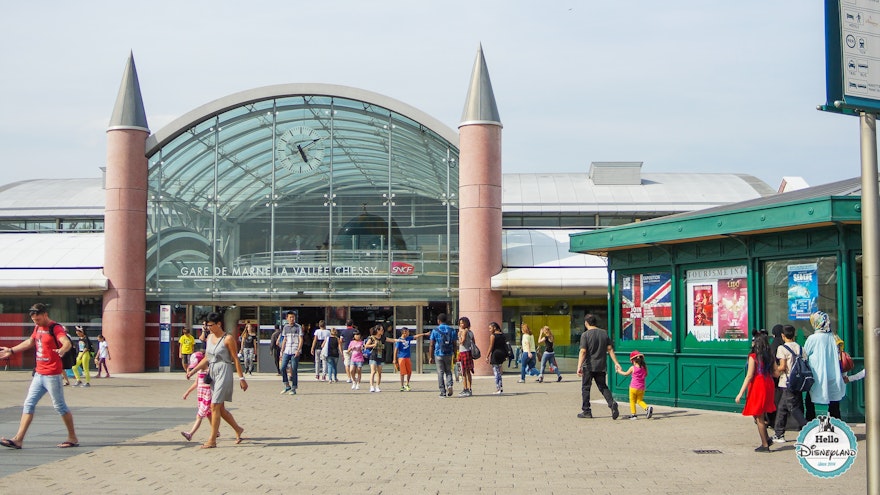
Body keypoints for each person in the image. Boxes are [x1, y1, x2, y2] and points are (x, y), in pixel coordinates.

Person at [0, 303, 79, 449]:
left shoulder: (55, 328)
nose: (36, 322)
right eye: (34, 320)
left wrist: (62, 349)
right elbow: (30, 341)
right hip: (39, 373)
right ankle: (18, 439)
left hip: (52, 375)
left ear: (45, 314)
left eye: (38, 319)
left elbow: (66, 342)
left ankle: (72, 437)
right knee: (28, 404)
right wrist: (11, 350)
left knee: (59, 406)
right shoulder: (37, 328)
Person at [186, 312, 247, 449]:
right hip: (212, 372)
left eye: (210, 325)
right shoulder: (209, 338)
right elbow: (207, 358)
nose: (208, 328)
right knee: (221, 408)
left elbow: (235, 359)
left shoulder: (228, 339)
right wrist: (193, 371)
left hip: (224, 371)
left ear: (219, 324)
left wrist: (241, 378)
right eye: (207, 325)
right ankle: (238, 429)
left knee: (214, 406)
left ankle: (212, 440)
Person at [735, 330, 777, 452]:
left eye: (753, 341)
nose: (752, 343)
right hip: (768, 383)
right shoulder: (770, 355)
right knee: (759, 412)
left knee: (758, 416)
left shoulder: (753, 356)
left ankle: (765, 444)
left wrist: (740, 393)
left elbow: (749, 375)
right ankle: (767, 438)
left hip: (758, 384)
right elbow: (775, 372)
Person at [576, 313, 623, 420]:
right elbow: (610, 349)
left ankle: (586, 411)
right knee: (603, 386)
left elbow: (583, 351)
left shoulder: (585, 335)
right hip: (601, 365)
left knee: (586, 388)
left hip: (588, 366)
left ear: (586, 323)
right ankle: (612, 403)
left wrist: (579, 366)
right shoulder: (604, 333)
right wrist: (616, 362)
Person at [803, 311, 846, 419]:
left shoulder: (813, 338)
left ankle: (811, 425)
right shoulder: (834, 337)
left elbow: (805, 355)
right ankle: (837, 426)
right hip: (834, 374)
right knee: (834, 402)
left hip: (817, 375)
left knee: (810, 401)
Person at [770, 324, 807, 444]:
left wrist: (774, 371)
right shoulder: (800, 348)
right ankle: (778, 433)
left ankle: (808, 429)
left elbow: (783, 366)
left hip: (787, 382)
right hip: (798, 382)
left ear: (783, 335)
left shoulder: (782, 348)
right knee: (782, 408)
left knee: (792, 408)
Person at [181, 351, 211, 442]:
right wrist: (187, 392)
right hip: (200, 394)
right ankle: (216, 430)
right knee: (208, 414)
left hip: (207, 394)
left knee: (199, 415)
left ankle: (190, 434)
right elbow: (196, 383)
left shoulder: (209, 370)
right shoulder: (199, 371)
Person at [387, 327, 428, 391]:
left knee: (409, 372)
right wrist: (394, 359)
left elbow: (416, 336)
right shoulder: (399, 340)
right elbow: (396, 350)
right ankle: (402, 385)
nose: (408, 333)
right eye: (407, 332)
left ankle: (407, 384)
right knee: (402, 373)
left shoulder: (408, 338)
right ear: (404, 332)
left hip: (407, 357)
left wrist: (424, 334)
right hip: (401, 358)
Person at [617, 350, 653, 420]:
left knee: (632, 401)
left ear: (633, 360)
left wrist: (619, 371)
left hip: (633, 387)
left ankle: (634, 415)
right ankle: (647, 408)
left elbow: (625, 374)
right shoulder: (644, 368)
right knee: (639, 401)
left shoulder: (632, 368)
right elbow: (646, 375)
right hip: (641, 388)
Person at [429, 313, 458, 398]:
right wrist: (455, 355)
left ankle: (443, 392)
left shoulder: (435, 330)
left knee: (440, 372)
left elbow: (431, 344)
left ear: (438, 321)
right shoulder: (452, 330)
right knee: (448, 371)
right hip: (449, 353)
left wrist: (430, 356)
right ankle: (449, 385)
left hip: (438, 353)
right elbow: (454, 344)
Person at [278, 311, 303, 395]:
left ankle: (294, 387)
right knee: (282, 367)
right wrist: (282, 350)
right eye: (290, 317)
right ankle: (286, 385)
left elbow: (301, 339)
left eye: (293, 317)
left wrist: (298, 350)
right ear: (287, 318)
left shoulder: (298, 327)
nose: (292, 319)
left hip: (295, 350)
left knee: (294, 369)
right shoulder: (285, 327)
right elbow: (284, 339)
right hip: (287, 350)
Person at [457, 317, 475, 397]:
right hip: (469, 352)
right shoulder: (471, 332)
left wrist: (459, 336)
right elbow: (474, 342)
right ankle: (470, 388)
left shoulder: (464, 332)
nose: (461, 324)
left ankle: (465, 389)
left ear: (466, 323)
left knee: (463, 372)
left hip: (463, 352)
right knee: (468, 372)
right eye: (460, 323)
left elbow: (462, 342)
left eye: (462, 323)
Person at [487, 322, 507, 394]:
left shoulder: (493, 336)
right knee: (499, 372)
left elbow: (491, 346)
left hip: (495, 354)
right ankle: (500, 387)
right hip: (502, 354)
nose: (489, 330)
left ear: (494, 327)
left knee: (496, 372)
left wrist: (487, 356)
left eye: (490, 328)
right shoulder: (503, 335)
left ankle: (498, 388)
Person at [365, 325, 386, 392]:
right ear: (378, 330)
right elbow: (366, 345)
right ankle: (371, 386)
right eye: (381, 330)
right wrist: (373, 345)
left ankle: (377, 386)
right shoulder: (372, 338)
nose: (382, 331)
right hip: (373, 356)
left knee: (379, 372)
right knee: (373, 371)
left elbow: (391, 340)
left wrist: (399, 340)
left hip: (380, 356)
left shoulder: (383, 338)